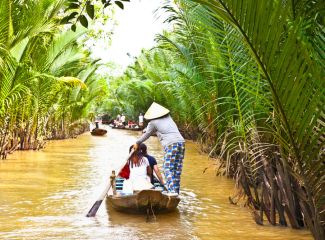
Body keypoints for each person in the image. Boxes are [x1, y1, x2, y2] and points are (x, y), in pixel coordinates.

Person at [133, 102, 185, 195]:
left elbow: (147, 134)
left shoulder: (152, 122)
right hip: (181, 143)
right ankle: (176, 192)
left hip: (171, 145)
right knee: (176, 169)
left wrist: (137, 142)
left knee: (167, 168)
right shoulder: (169, 118)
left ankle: (172, 191)